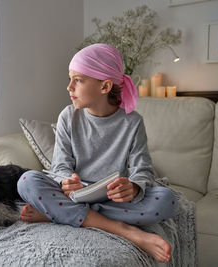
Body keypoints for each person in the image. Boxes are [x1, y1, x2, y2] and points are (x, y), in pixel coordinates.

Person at [17, 43, 178, 263]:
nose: (69, 87)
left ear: (105, 86)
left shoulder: (133, 123)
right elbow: (61, 166)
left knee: (166, 200)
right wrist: (66, 181)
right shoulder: (68, 116)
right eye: (70, 78)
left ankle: (57, 213)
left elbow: (143, 170)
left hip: (112, 198)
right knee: (26, 181)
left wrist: (133, 187)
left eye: (78, 80)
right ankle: (125, 230)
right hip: (75, 194)